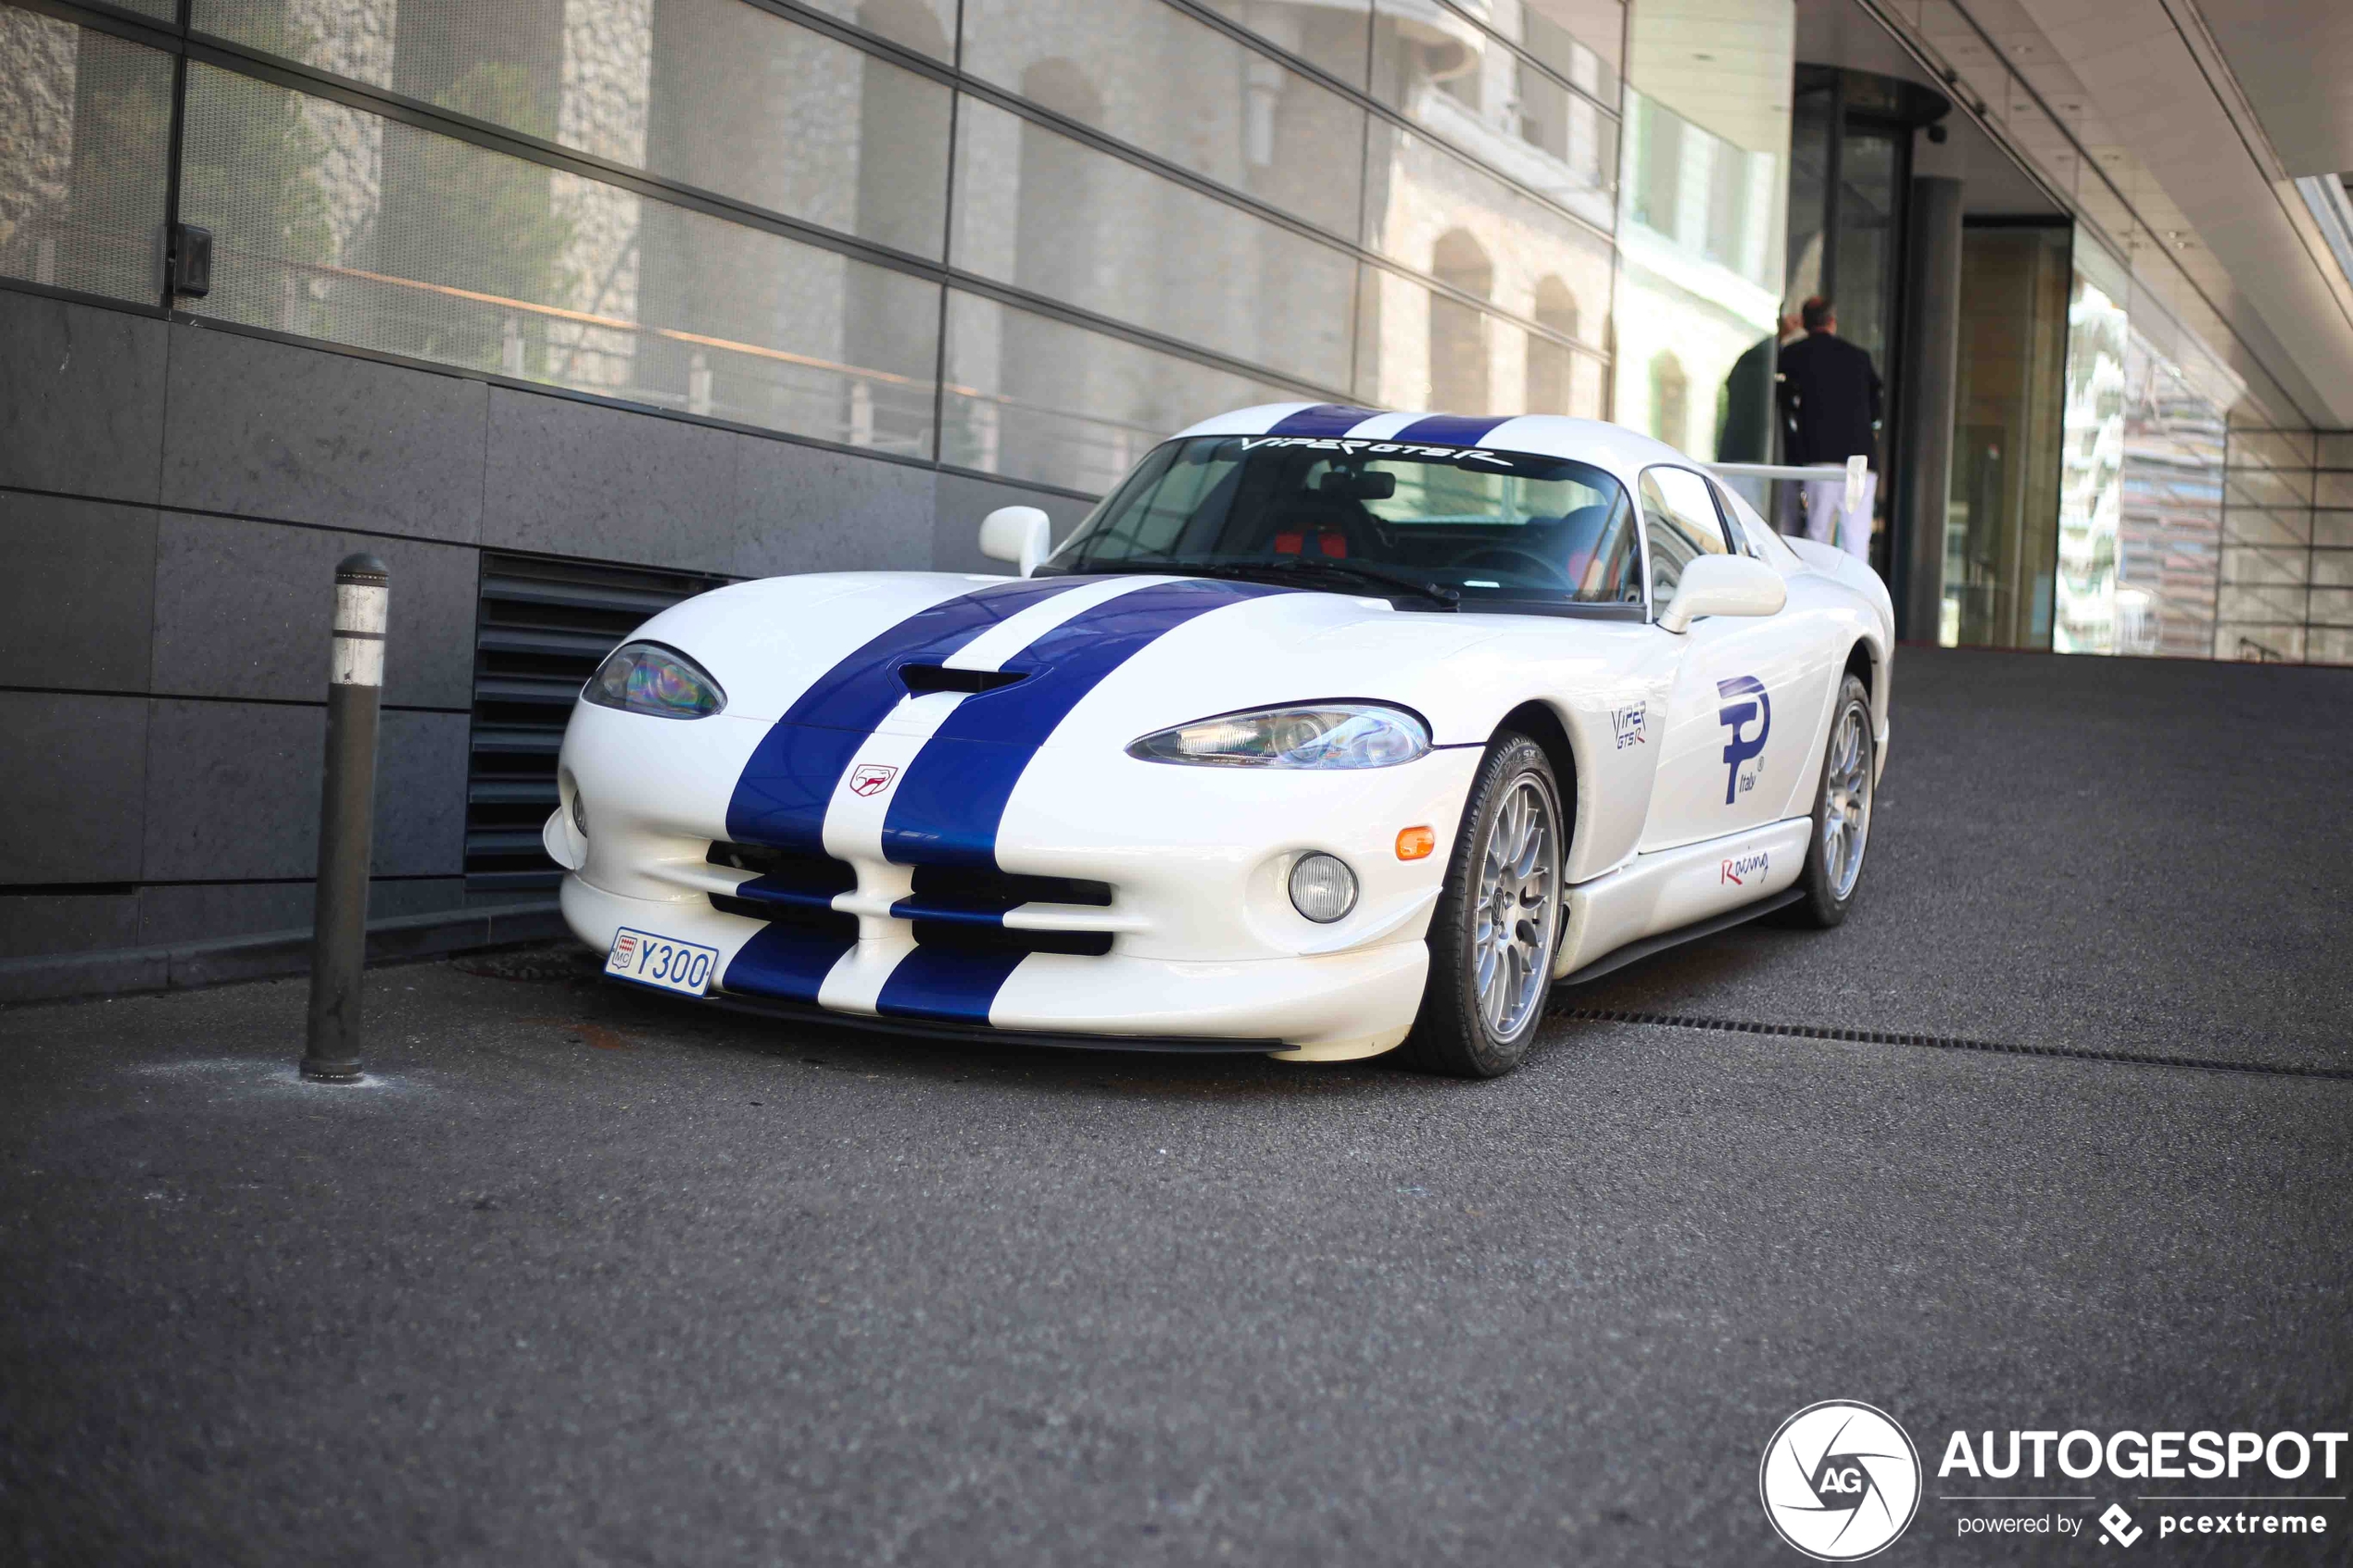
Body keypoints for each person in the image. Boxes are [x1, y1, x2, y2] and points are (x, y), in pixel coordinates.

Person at [1776, 296, 1881, 562]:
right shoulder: (1859, 357)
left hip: (1820, 456)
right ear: (1833, 322)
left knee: (1817, 537)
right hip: (1861, 459)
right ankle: (1858, 601)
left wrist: (1782, 335)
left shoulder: (1795, 354)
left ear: (1804, 323)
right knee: (1856, 541)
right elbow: (1877, 408)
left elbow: (1778, 390)